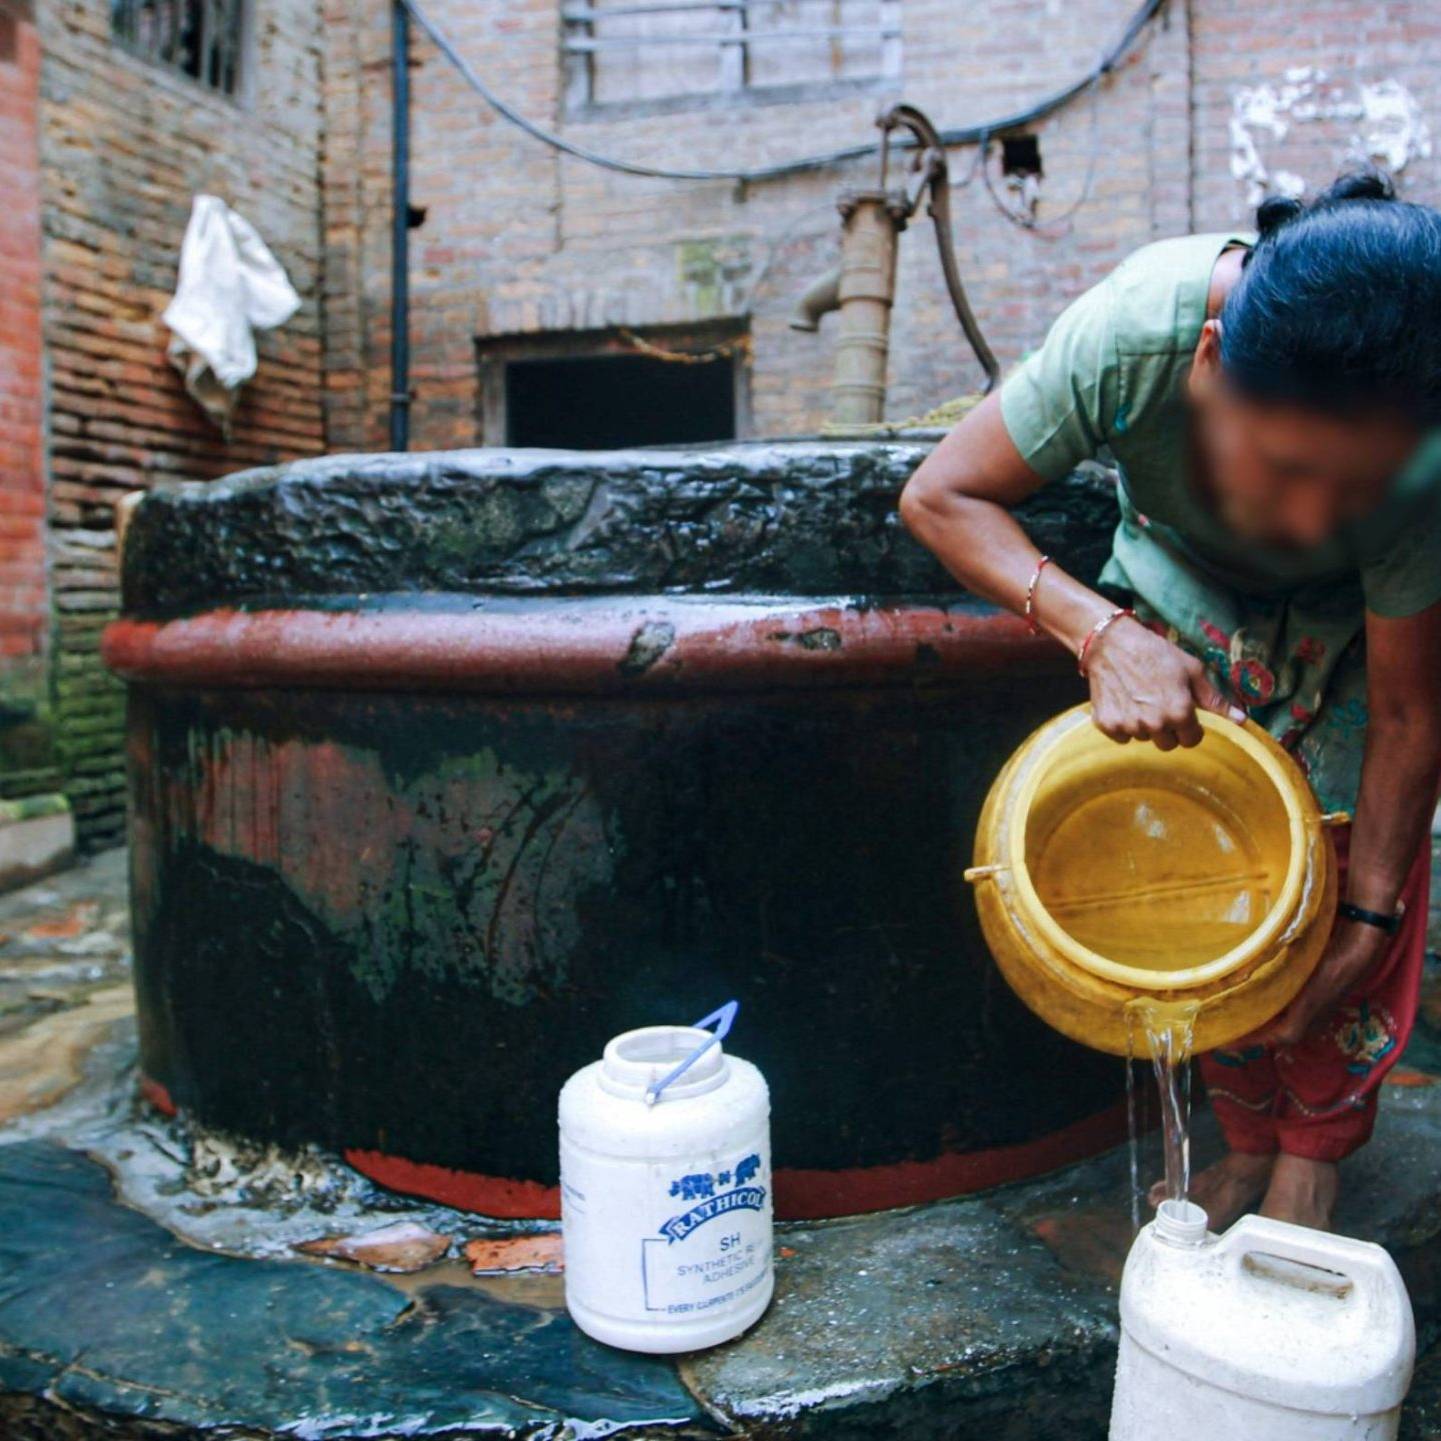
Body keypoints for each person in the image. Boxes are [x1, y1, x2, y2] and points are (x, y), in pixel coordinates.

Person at [900, 170, 1441, 1231]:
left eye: (1352, 488)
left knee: (1329, 884)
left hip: (1349, 635)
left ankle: (1315, 1155)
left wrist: (1370, 917)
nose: (1307, 514)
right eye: (1282, 465)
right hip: (1177, 598)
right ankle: (1243, 1139)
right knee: (1204, 880)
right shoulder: (1135, 332)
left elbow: (1412, 718)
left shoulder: (1423, 463)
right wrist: (1099, 633)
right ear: (1204, 365)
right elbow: (940, 494)